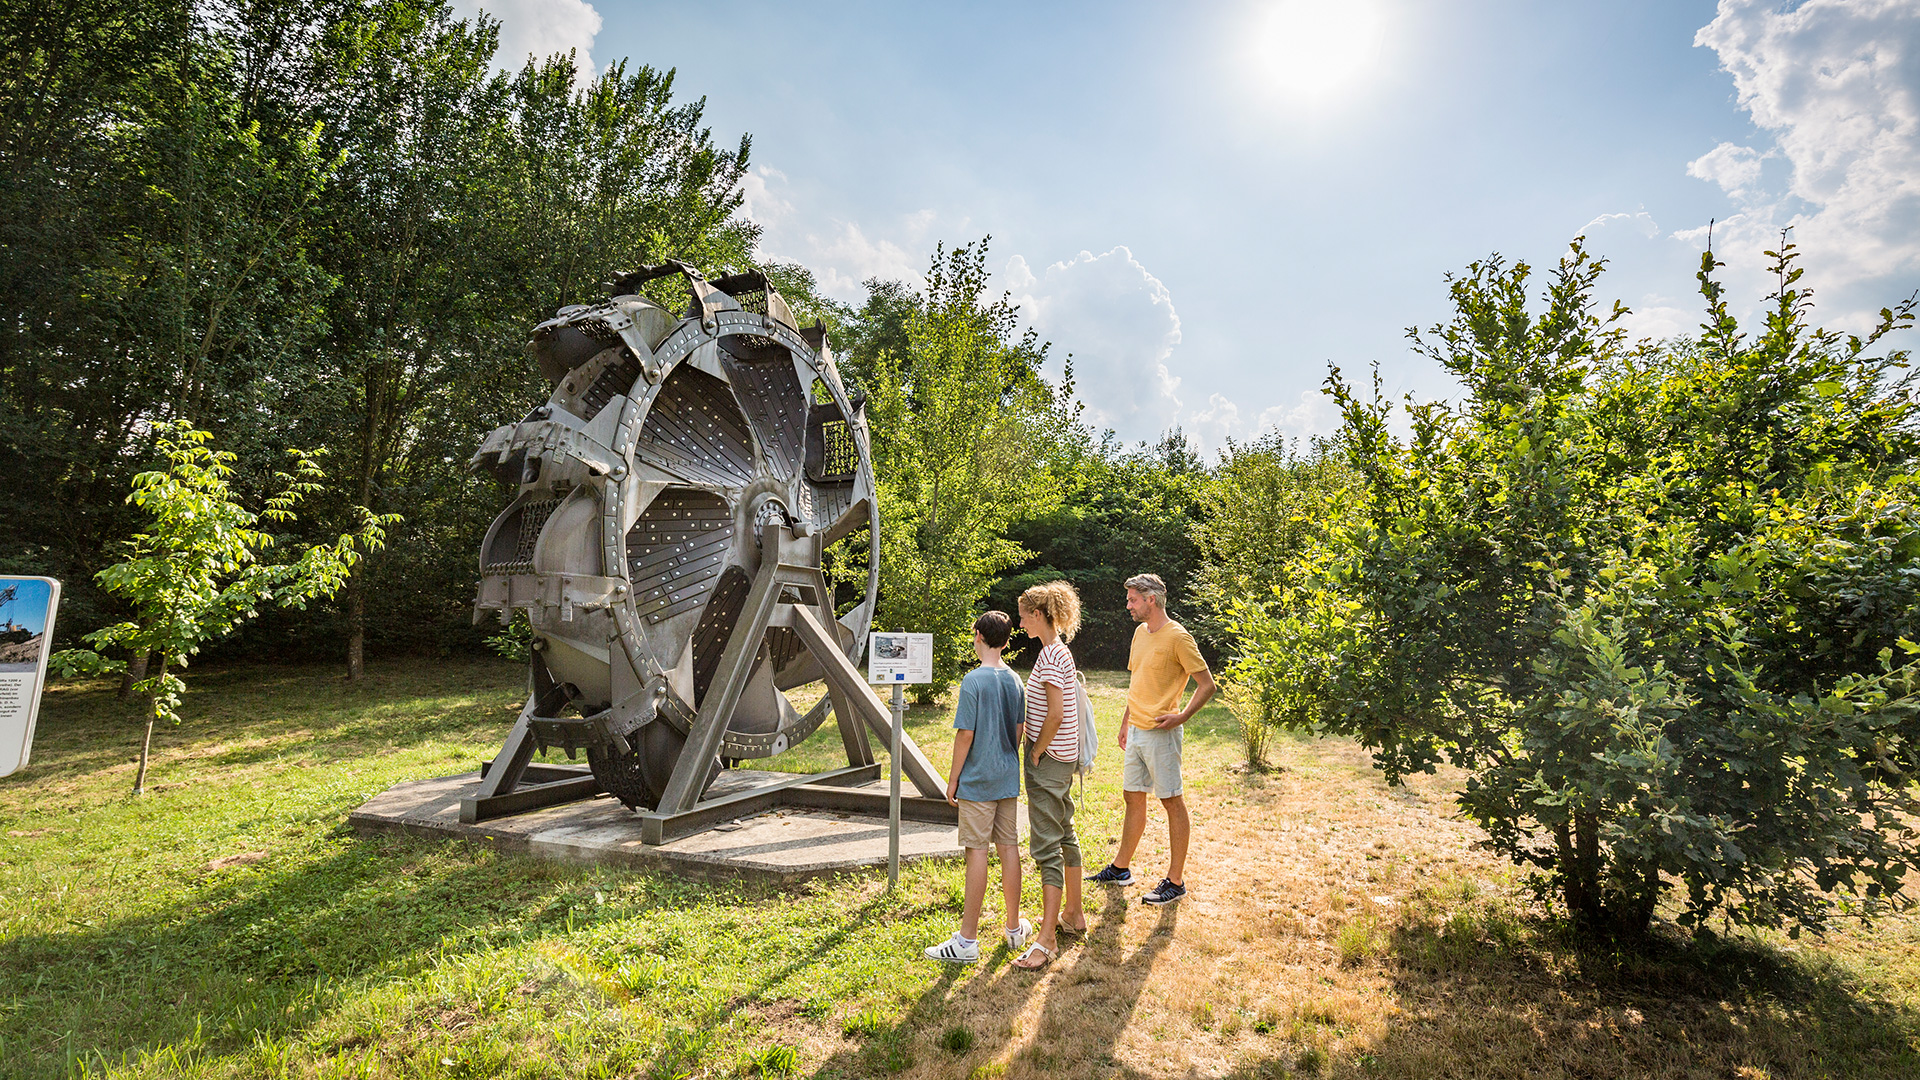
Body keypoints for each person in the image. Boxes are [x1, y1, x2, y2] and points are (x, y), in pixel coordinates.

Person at [1086, 573, 1214, 906]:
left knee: (1171, 802)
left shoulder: (1178, 638)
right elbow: (1138, 682)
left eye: (1132, 600)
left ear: (1151, 600)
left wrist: (1182, 716)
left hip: (1163, 734)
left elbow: (1207, 685)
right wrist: (1126, 722)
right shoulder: (1139, 634)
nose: (1128, 605)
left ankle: (1175, 881)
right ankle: (1121, 868)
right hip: (1138, 731)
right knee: (1133, 798)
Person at [925, 611, 1032, 963]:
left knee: (977, 852)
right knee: (1009, 848)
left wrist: (953, 778)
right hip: (1007, 776)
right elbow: (1018, 730)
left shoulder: (972, 681)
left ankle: (967, 940)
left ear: (978, 637)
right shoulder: (1015, 680)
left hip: (978, 780)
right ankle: (1014, 929)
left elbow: (965, 734)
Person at [1013, 581, 1089, 970]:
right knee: (1065, 832)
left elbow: (1056, 713)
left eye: (1024, 614)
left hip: (1050, 760)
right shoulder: (1058, 652)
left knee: (1046, 846)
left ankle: (1046, 940)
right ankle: (1073, 915)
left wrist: (1037, 750)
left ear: (1039, 615)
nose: (1020, 621)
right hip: (1064, 759)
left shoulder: (1051, 657)